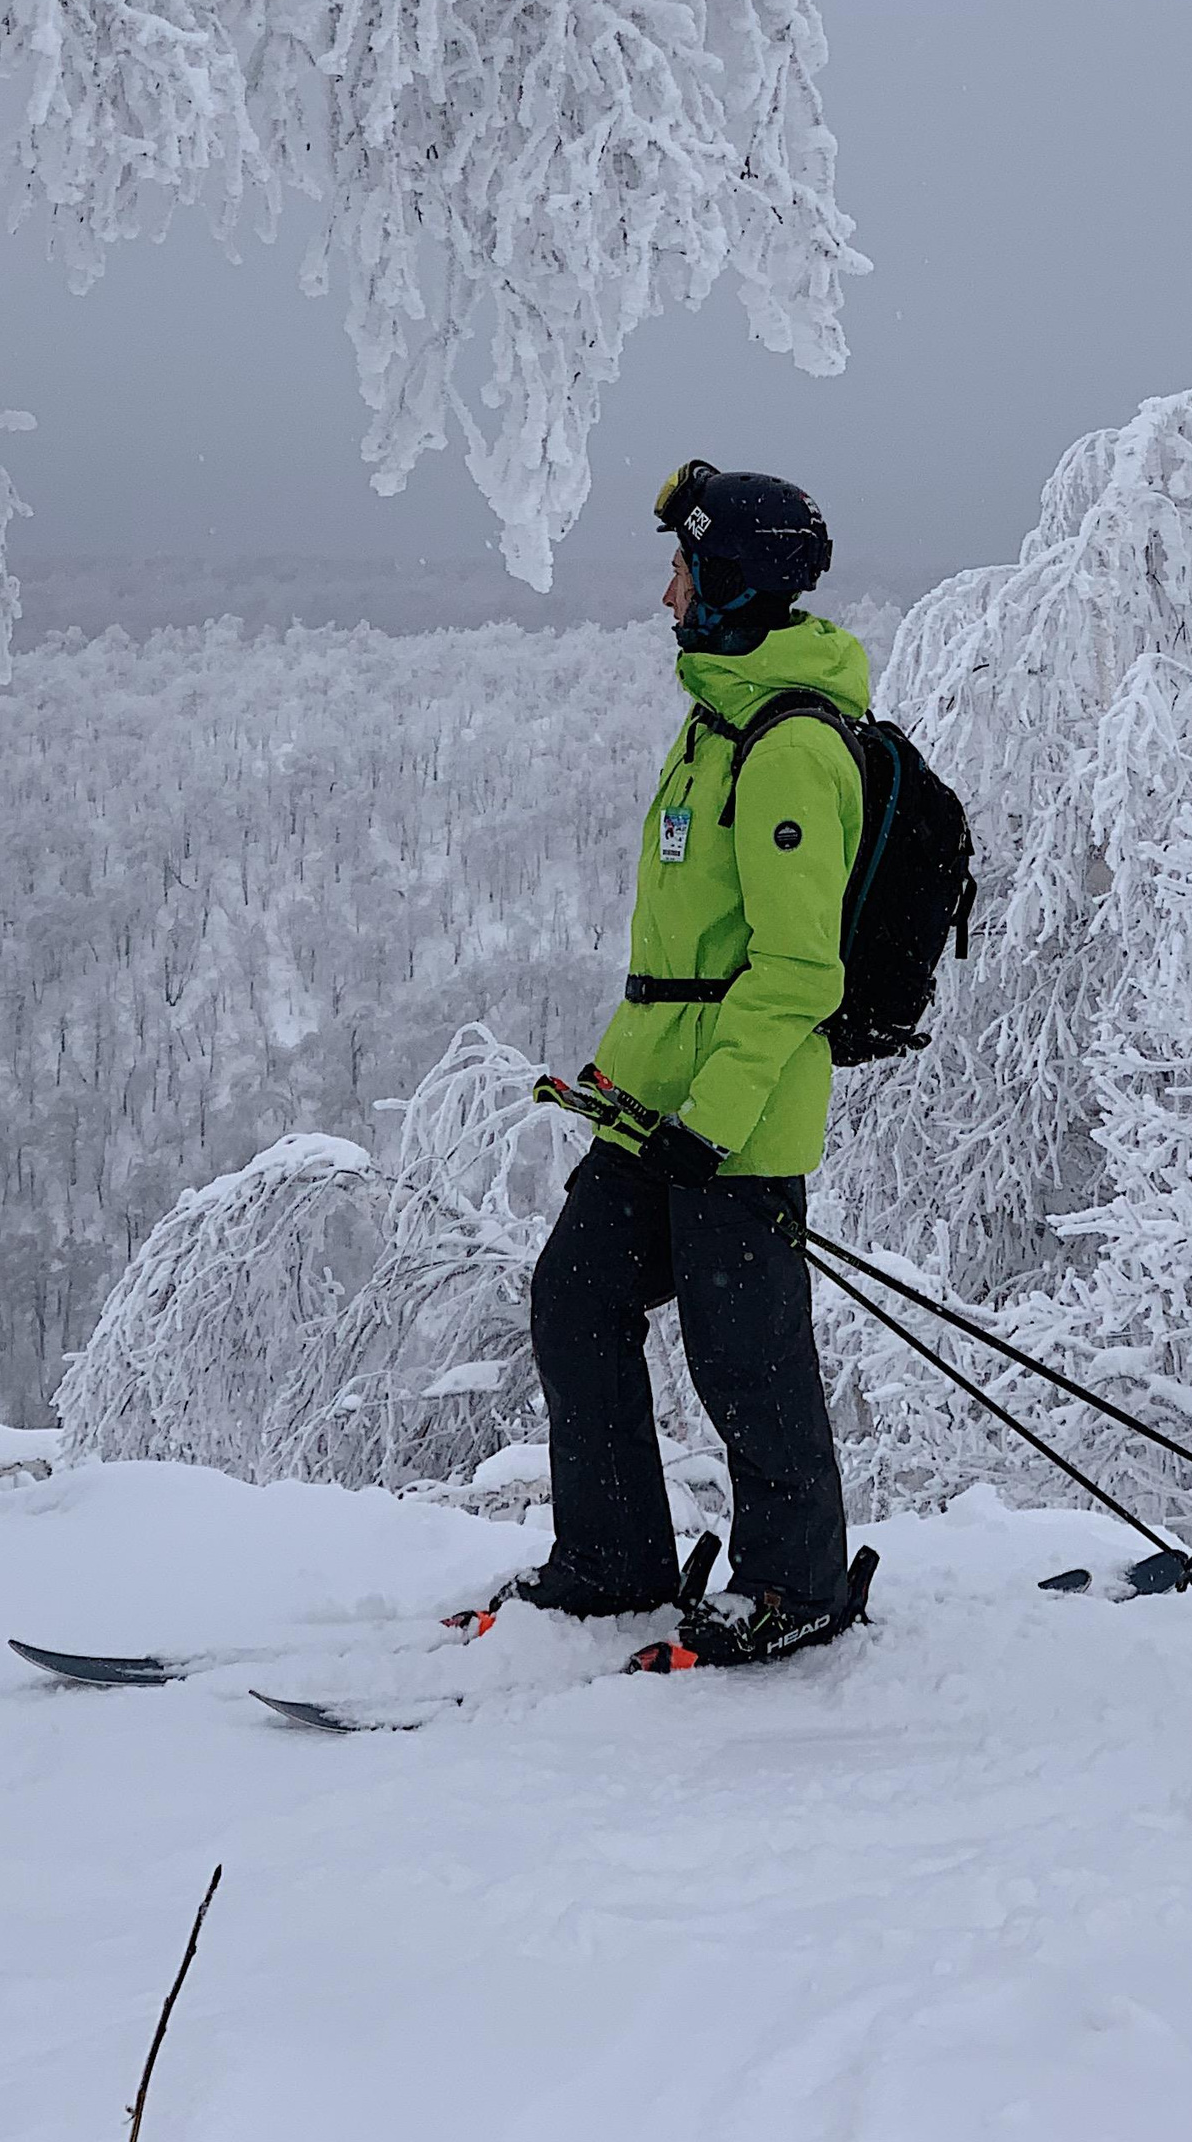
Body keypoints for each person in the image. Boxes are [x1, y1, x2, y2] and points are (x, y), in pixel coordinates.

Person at [521, 457, 866, 1664]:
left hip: (738, 1116)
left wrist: (711, 1118)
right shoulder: (717, 719)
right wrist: (639, 1081)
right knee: (575, 1294)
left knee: (744, 1353)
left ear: (729, 582)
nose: (665, 595)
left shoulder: (786, 749)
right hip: (660, 1104)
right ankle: (614, 1563)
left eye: (680, 569)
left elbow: (795, 972)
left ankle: (795, 1582)